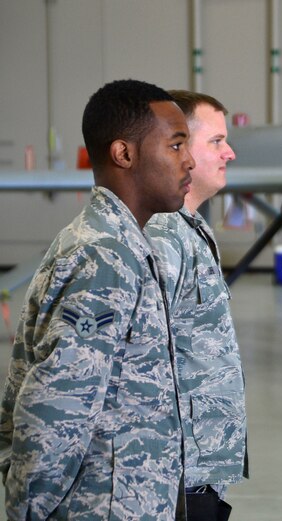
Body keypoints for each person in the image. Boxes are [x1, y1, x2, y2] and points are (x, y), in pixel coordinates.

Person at [0, 79, 194, 519]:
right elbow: (53, 411)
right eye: (176, 146)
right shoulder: (102, 257)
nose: (191, 161)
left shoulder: (124, 245)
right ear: (124, 154)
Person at [146, 90, 248, 521]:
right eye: (217, 141)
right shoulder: (164, 235)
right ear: (179, 147)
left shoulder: (191, 229)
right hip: (173, 475)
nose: (230, 152)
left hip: (198, 469)